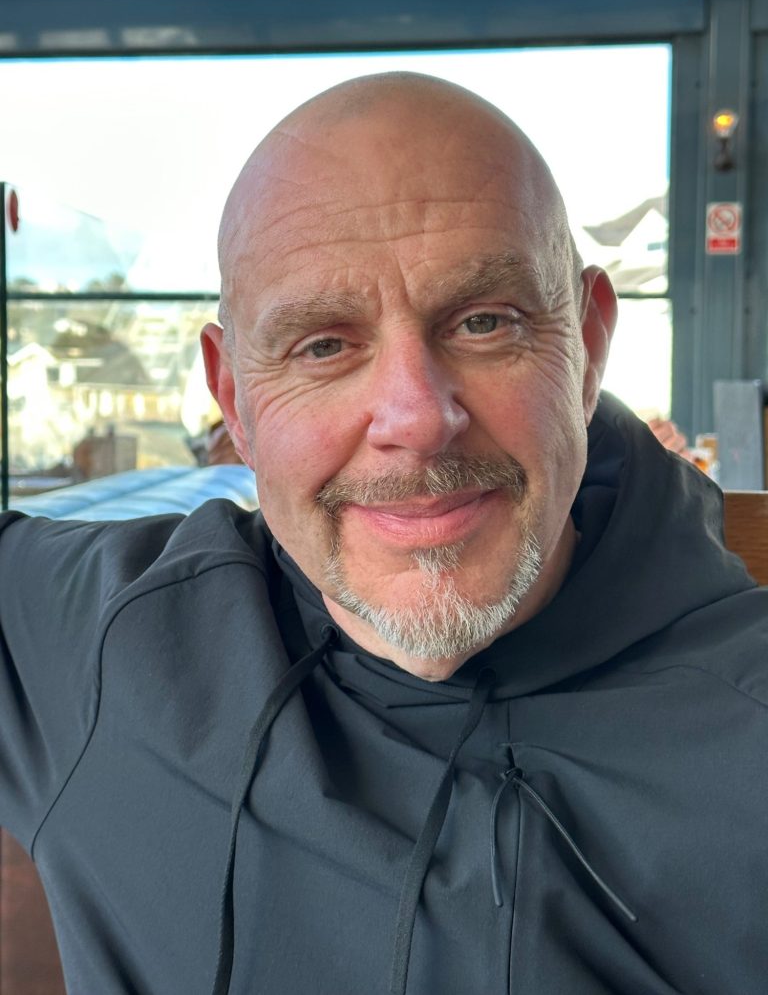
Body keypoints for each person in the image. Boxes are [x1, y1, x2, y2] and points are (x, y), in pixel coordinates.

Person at [1, 73, 766, 995]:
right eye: (323, 345)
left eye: (484, 322)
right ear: (234, 399)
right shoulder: (105, 639)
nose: (417, 417)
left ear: (588, 347)